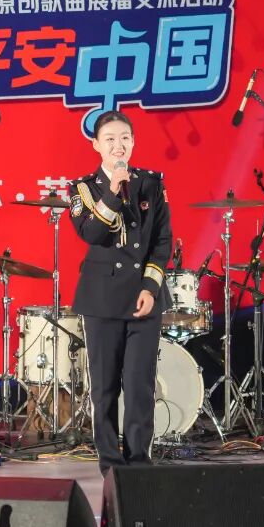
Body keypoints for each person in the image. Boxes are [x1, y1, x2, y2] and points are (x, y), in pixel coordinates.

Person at [68, 110, 172, 476]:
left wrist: (150, 287)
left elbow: (162, 241)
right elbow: (92, 233)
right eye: (110, 139)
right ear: (96, 145)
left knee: (140, 385)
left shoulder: (151, 183)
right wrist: (113, 192)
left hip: (144, 298)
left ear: (133, 142)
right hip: (102, 299)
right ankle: (111, 464)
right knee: (105, 387)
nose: (118, 145)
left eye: (125, 138)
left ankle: (139, 463)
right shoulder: (83, 188)